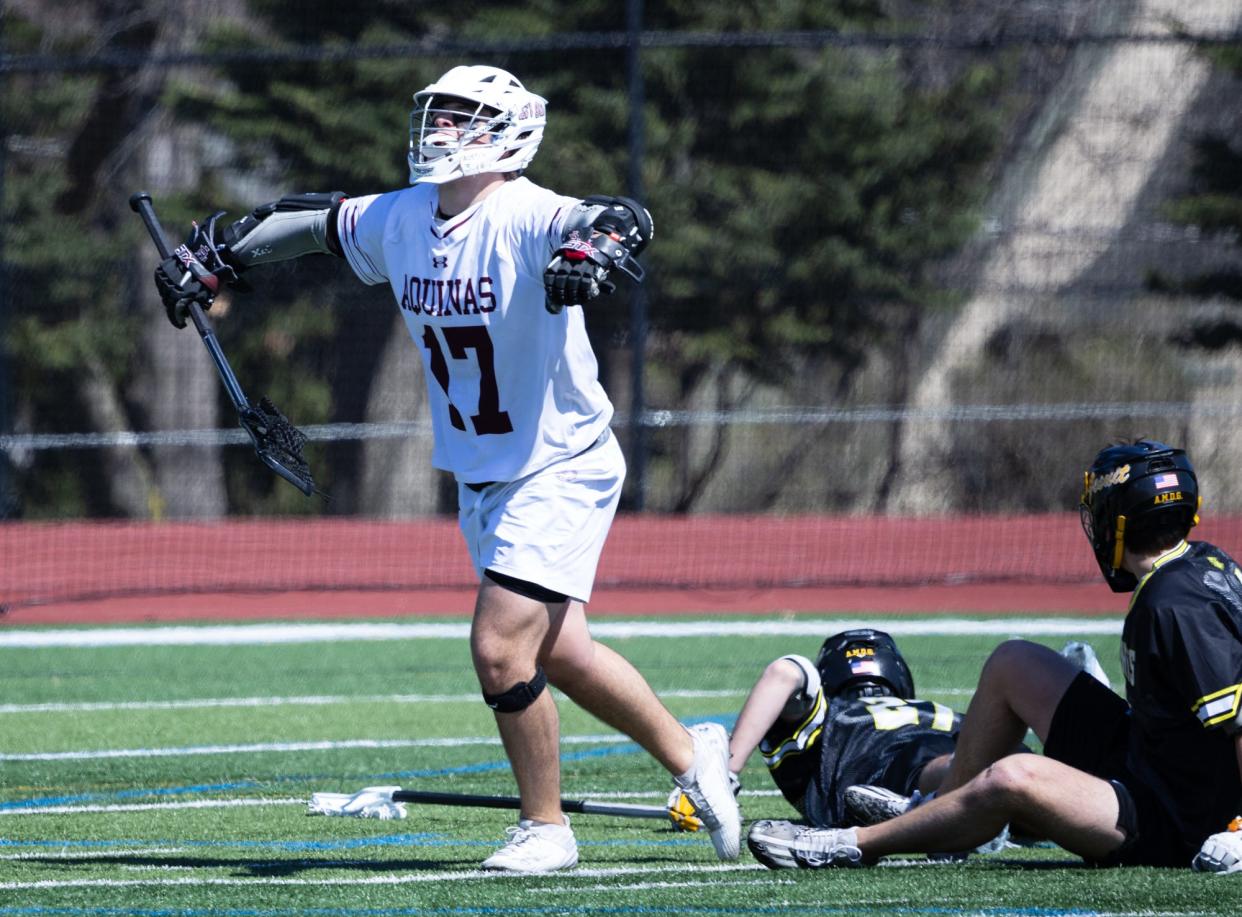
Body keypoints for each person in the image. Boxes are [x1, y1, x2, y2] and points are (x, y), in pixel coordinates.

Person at [151, 63, 740, 873]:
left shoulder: (528, 214)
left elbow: (614, 215)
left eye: (460, 119)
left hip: (559, 461)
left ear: (506, 131)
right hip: (482, 470)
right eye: (436, 117)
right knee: (562, 652)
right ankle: (694, 754)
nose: (439, 133)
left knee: (501, 648)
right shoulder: (403, 219)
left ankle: (547, 828)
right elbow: (314, 223)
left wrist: (593, 246)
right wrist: (217, 256)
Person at [746, 439, 1242, 870]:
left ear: (1118, 520)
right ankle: (937, 806)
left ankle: (852, 844)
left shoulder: (1176, 602)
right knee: (1014, 663)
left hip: (1173, 819)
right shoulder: (1198, 563)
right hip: (1154, 758)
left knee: (1013, 774)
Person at [668, 629, 965, 833]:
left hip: (889, 775)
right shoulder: (943, 712)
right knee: (984, 764)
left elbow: (785, 671)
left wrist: (722, 776)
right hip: (964, 754)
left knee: (943, 767)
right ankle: (972, 803)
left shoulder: (830, 716)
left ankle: (962, 803)